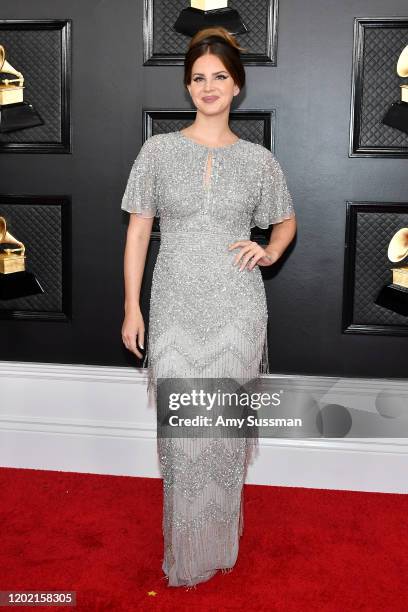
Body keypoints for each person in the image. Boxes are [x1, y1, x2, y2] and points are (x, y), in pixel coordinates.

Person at [120, 26, 297, 589]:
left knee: (220, 431)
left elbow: (286, 220)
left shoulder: (259, 161)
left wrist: (268, 249)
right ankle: (186, 551)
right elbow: (138, 235)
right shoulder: (157, 151)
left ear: (237, 86)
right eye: (198, 78)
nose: (208, 86)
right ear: (187, 87)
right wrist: (132, 307)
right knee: (182, 433)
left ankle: (218, 543)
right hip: (171, 300)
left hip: (237, 306)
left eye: (219, 76)